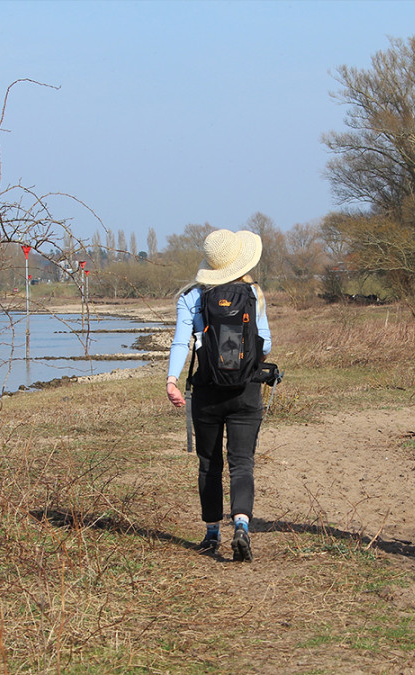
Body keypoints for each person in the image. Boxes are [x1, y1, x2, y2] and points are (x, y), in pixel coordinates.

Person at [166, 228, 271, 562]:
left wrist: (171, 379)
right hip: (246, 390)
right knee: (242, 462)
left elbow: (182, 341)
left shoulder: (192, 296)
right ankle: (241, 523)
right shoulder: (253, 293)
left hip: (207, 390)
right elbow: (265, 343)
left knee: (209, 464)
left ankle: (212, 533)